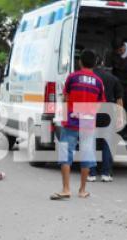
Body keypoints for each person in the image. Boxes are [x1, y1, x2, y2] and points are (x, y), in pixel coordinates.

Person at [50, 49, 105, 201]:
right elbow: (100, 104)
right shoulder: (98, 82)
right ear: (95, 64)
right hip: (88, 123)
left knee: (65, 155)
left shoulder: (72, 78)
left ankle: (66, 189)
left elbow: (65, 98)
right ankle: (82, 190)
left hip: (71, 122)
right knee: (86, 155)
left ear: (80, 62)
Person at [90, 60, 124, 183]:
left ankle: (91, 174)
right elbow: (119, 100)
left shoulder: (89, 78)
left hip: (92, 113)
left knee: (91, 143)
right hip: (108, 114)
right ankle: (105, 174)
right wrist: (120, 117)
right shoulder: (113, 79)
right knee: (107, 144)